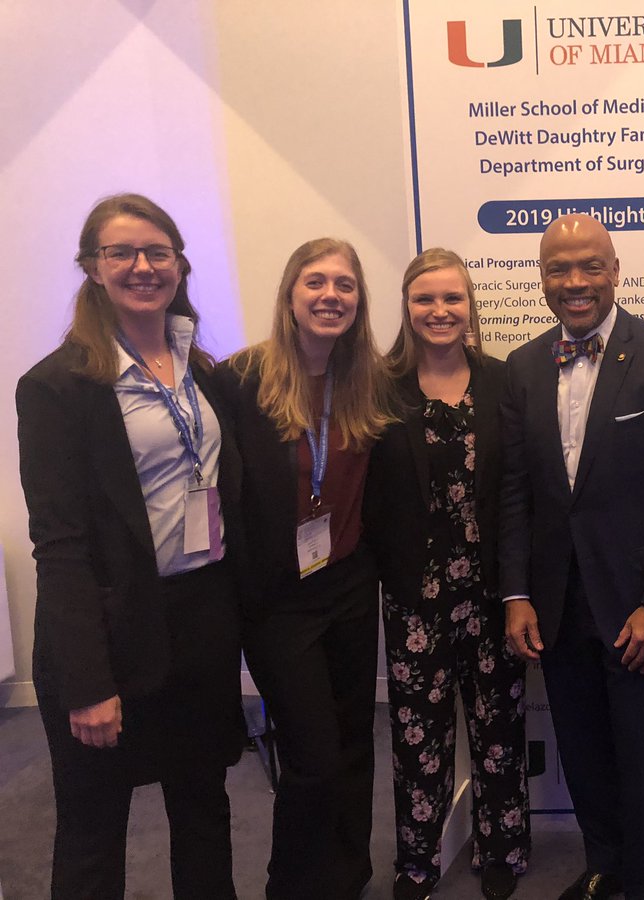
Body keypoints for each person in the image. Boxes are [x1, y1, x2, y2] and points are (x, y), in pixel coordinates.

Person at [16, 193, 244, 899]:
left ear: (179, 263)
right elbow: (60, 547)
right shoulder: (58, 387)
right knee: (93, 824)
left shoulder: (201, 370)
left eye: (158, 252)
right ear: (91, 267)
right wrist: (88, 684)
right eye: (123, 253)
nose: (143, 267)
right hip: (110, 635)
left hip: (198, 620)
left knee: (204, 806)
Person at [499, 214, 644, 900]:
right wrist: (516, 594)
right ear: (541, 279)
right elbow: (514, 493)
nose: (575, 282)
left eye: (590, 265)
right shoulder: (523, 366)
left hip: (639, 606)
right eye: (558, 268)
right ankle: (606, 870)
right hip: (557, 606)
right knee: (586, 758)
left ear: (616, 270)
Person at [216, 238, 393, 900]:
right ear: (290, 295)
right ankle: (290, 886)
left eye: (344, 285)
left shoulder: (367, 380)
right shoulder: (240, 382)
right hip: (277, 600)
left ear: (358, 301)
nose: (330, 295)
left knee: (353, 745)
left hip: (347, 585)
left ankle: (347, 879)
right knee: (313, 760)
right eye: (315, 282)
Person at [367, 248, 529, 900]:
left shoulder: (500, 382)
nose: (439, 311)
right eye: (424, 299)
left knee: (499, 728)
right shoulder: (379, 387)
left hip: (492, 592)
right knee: (418, 742)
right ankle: (416, 865)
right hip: (416, 598)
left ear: (470, 306)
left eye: (451, 298)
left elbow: (518, 487)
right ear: (407, 309)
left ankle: (503, 851)